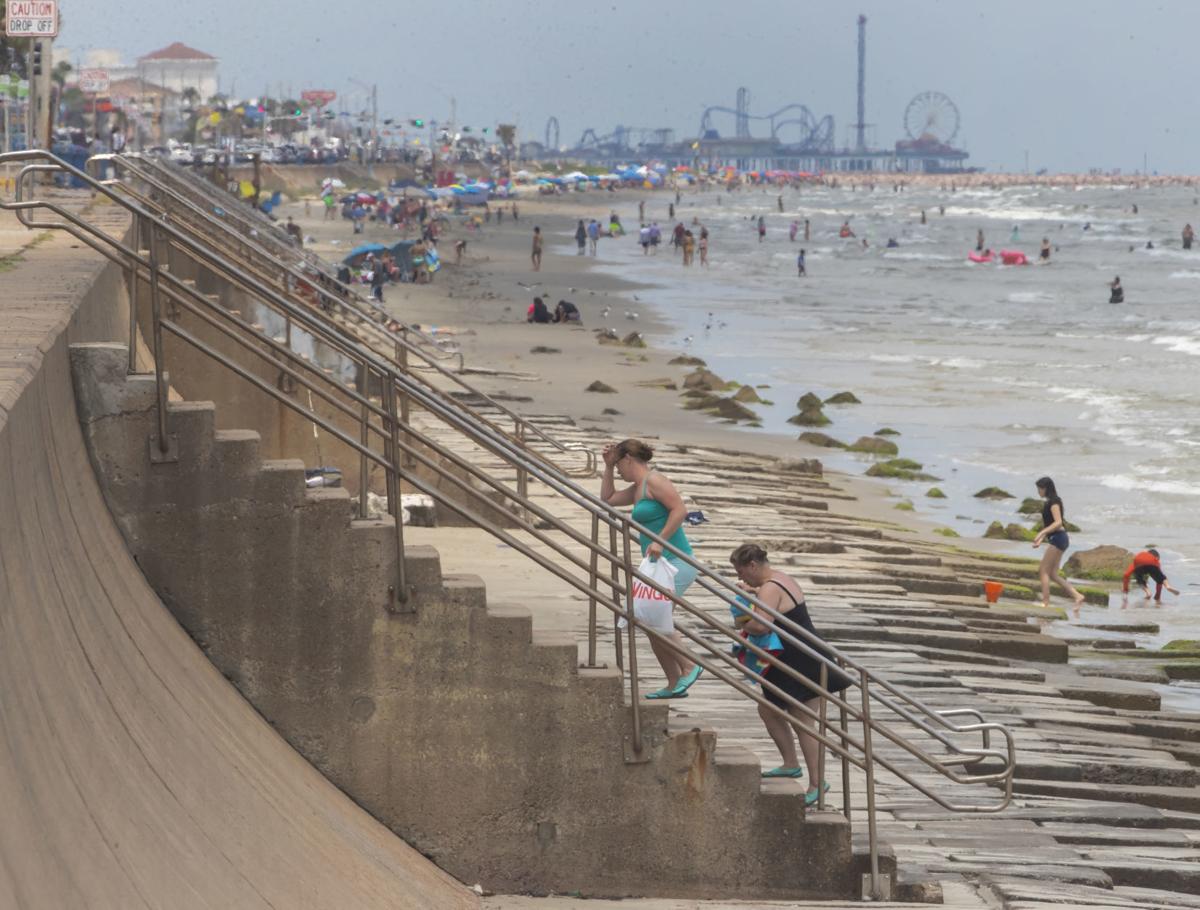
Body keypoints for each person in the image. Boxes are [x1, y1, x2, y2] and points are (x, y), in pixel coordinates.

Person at [729, 543, 849, 804]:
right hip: (799, 655)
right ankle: (791, 763)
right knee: (768, 709)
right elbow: (772, 602)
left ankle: (818, 783)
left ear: (752, 566)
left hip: (800, 661)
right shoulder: (779, 578)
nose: (741, 579)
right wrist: (753, 591)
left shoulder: (771, 587)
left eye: (741, 573)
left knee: (803, 720)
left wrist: (740, 621)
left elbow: (761, 625)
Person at [600, 439, 701, 698]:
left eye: (619, 464)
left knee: (655, 617)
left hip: (676, 563)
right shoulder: (637, 488)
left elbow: (679, 509)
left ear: (629, 459)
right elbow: (608, 499)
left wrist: (659, 540)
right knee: (648, 620)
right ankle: (673, 682)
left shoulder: (655, 480)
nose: (619, 470)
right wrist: (608, 467)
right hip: (658, 565)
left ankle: (690, 664)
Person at [1031, 476, 1087, 613]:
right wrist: (1042, 537)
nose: (1038, 491)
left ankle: (1045, 602)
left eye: (1039, 488)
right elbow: (1052, 525)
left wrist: (1041, 533)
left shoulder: (1054, 501)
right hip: (1058, 538)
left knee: (1043, 571)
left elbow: (1058, 523)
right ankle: (1077, 596)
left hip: (1059, 538)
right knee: (1053, 574)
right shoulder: (1050, 501)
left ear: (1045, 488)